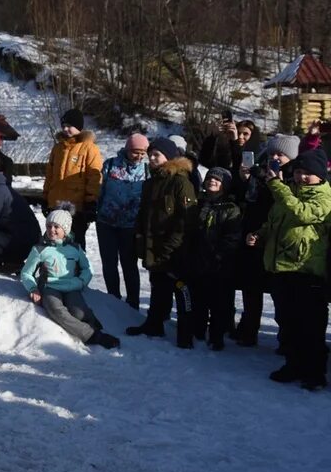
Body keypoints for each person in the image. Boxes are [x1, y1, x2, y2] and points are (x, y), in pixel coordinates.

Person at [246, 148, 331, 389]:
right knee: (288, 322)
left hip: (307, 269)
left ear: (320, 176)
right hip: (282, 267)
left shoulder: (324, 197)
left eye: (308, 174)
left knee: (311, 325)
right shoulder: (289, 192)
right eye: (299, 172)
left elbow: (302, 213)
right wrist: (259, 235)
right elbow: (275, 220)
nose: (302, 177)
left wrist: (276, 186)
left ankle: (314, 372)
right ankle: (293, 364)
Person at [126, 138, 199, 347]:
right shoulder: (151, 183)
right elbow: (144, 214)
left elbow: (186, 221)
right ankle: (154, 324)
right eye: (150, 155)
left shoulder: (181, 182)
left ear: (169, 157)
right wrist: (140, 238)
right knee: (158, 288)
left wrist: (172, 248)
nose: (151, 158)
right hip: (154, 247)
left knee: (181, 290)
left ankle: (185, 333)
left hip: (177, 250)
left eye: (156, 154)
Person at [20, 206, 120, 349]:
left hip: (72, 287)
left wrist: (81, 281)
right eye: (49, 226)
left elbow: (87, 268)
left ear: (65, 229)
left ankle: (89, 318)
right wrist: (33, 288)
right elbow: (26, 273)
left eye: (56, 227)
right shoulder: (40, 249)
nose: (51, 230)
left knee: (77, 313)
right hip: (50, 287)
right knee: (56, 310)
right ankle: (92, 335)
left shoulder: (75, 248)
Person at [233, 134, 299, 346]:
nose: (276, 158)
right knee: (251, 288)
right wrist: (245, 179)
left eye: (281, 154)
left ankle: (286, 337)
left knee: (281, 294)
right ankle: (248, 329)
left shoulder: (295, 176)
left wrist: (273, 182)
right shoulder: (259, 171)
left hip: (278, 239)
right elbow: (246, 200)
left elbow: (288, 204)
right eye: (272, 153)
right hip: (254, 233)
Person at [95, 133, 149, 308]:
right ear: (127, 149)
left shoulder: (147, 170)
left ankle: (133, 302)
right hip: (106, 223)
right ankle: (113, 299)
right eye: (135, 152)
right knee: (109, 263)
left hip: (130, 226)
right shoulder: (110, 165)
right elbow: (100, 191)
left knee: (129, 265)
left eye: (143, 153)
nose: (139, 156)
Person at [194, 167, 242, 350]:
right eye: (209, 178)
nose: (212, 181)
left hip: (221, 264)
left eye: (217, 180)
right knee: (200, 300)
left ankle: (217, 336)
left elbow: (232, 237)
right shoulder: (199, 204)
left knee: (219, 303)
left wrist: (219, 255)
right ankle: (197, 330)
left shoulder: (231, 208)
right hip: (199, 261)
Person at [44, 109, 103, 250]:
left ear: (79, 127)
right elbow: (50, 175)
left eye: (69, 125)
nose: (65, 129)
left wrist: (91, 201)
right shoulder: (58, 148)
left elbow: (94, 177)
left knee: (74, 243)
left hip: (77, 207)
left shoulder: (90, 148)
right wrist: (46, 198)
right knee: (52, 240)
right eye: (63, 125)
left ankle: (77, 270)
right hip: (56, 204)